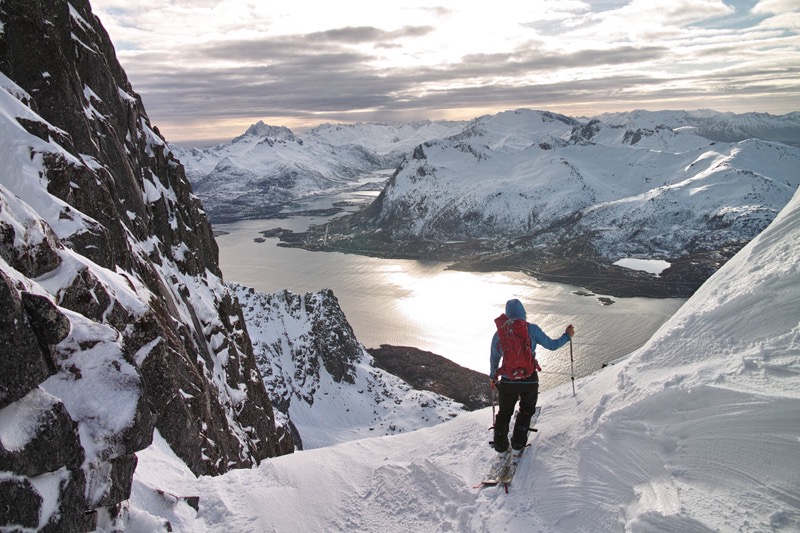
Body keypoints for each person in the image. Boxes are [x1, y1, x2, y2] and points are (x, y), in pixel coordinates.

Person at [489, 298, 575, 453]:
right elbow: (552, 345)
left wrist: (493, 377)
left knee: (504, 413)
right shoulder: (532, 329)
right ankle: (518, 444)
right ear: (523, 312)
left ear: (507, 314)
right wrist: (567, 336)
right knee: (526, 410)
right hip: (529, 379)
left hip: (508, 381)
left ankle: (500, 446)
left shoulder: (500, 333)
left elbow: (494, 358)